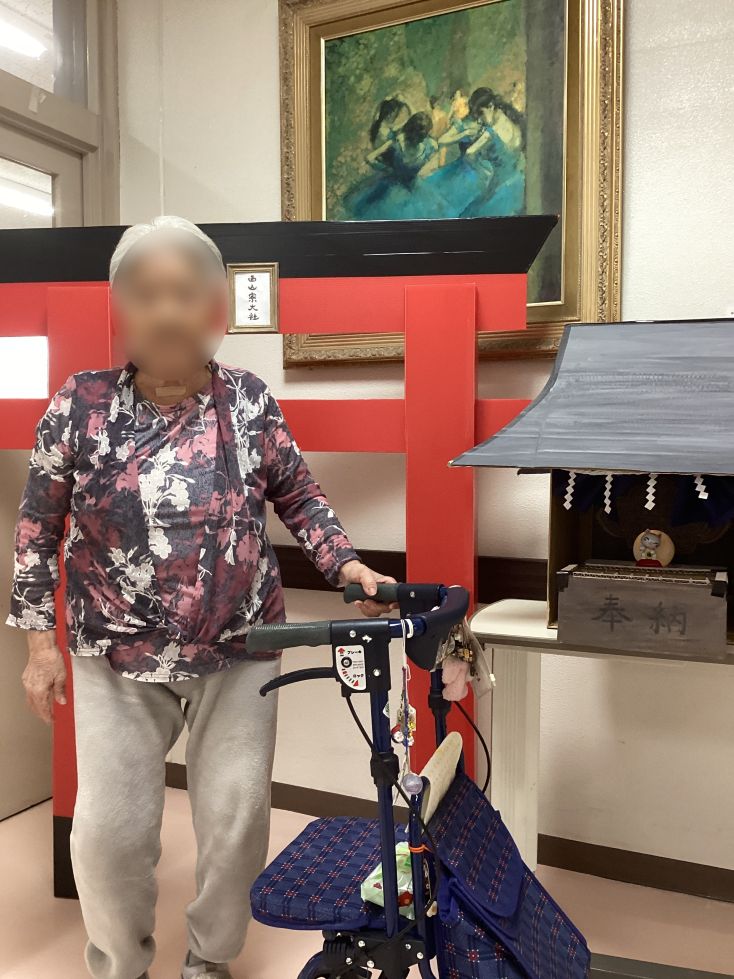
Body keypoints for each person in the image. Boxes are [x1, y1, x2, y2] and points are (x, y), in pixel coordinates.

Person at [7, 216, 397, 979]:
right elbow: (36, 526)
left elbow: (299, 495)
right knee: (108, 833)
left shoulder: (247, 400)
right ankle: (119, 964)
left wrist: (346, 564)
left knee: (237, 820)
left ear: (214, 304)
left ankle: (210, 959)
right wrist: (38, 644)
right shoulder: (80, 404)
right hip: (114, 652)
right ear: (120, 305)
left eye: (185, 293)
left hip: (241, 645)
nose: (166, 311)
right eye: (146, 293)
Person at [424, 86, 526, 218]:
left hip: (502, 184)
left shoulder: (490, 133)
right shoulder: (505, 115)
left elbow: (469, 153)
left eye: (481, 114)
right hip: (515, 178)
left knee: (474, 213)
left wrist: (481, 166)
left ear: (490, 106)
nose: (479, 119)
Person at [344, 111, 438, 220]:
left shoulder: (430, 146)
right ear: (411, 131)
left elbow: (430, 161)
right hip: (391, 188)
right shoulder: (397, 142)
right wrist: (387, 169)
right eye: (419, 135)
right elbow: (370, 158)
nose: (421, 138)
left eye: (424, 135)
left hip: (412, 187)